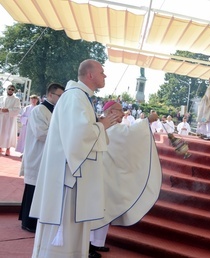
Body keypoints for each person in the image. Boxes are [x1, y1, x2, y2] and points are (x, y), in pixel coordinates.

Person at [29, 59, 121, 258]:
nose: (105, 76)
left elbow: (84, 133)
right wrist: (101, 126)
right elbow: (77, 137)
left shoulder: (81, 97)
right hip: (67, 179)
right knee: (64, 231)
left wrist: (101, 127)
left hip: (73, 177)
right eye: (102, 72)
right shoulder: (75, 97)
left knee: (74, 231)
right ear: (90, 75)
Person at [89, 100, 161, 257]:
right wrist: (147, 120)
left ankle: (97, 243)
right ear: (111, 112)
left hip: (108, 174)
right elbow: (129, 135)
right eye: (120, 110)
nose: (123, 114)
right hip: (100, 174)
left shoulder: (111, 126)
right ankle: (88, 246)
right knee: (97, 209)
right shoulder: (106, 126)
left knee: (105, 208)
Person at [18, 83, 65, 233]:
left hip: (50, 156)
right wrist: (64, 135)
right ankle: (28, 222)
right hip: (38, 154)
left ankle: (37, 220)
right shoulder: (39, 110)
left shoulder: (57, 111)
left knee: (43, 189)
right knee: (33, 188)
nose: (62, 98)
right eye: (59, 95)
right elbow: (41, 133)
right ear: (50, 95)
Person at [0, 82, 21, 156]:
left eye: (12, 89)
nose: (10, 90)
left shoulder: (16, 99)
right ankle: (0, 147)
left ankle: (8, 149)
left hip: (10, 118)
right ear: (7, 89)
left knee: (8, 133)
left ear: (14, 91)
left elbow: (18, 109)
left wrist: (8, 109)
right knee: (1, 132)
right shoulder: (2, 98)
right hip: (2, 117)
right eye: (9, 89)